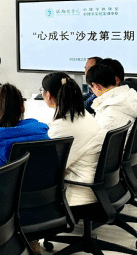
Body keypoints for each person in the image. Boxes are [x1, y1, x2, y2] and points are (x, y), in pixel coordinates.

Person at [41, 72, 106, 207]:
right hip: (95, 186)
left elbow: (49, 170)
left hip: (78, 193)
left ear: (49, 95)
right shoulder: (84, 115)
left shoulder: (63, 127)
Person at [86, 63, 137, 132]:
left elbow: (98, 138)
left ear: (96, 86)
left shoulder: (109, 113)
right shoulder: (130, 96)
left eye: (91, 88)